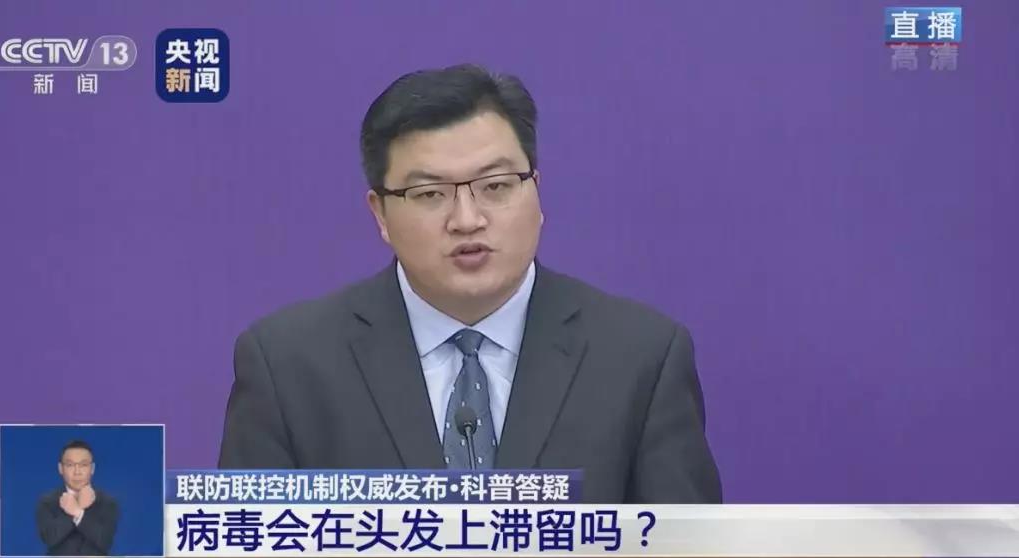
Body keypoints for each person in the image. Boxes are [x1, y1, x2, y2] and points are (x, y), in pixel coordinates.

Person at [219, 63, 722, 503]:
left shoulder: (641, 357)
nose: (467, 219)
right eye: (429, 193)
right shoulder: (288, 366)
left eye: (495, 186)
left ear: (536, 191)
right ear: (381, 214)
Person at [36, 440, 120, 556]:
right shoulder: (47, 501)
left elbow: (105, 541)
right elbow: (49, 538)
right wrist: (77, 508)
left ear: (92, 468)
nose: (77, 472)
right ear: (60, 468)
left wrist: (77, 512)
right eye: (70, 465)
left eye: (83, 465)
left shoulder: (108, 502)